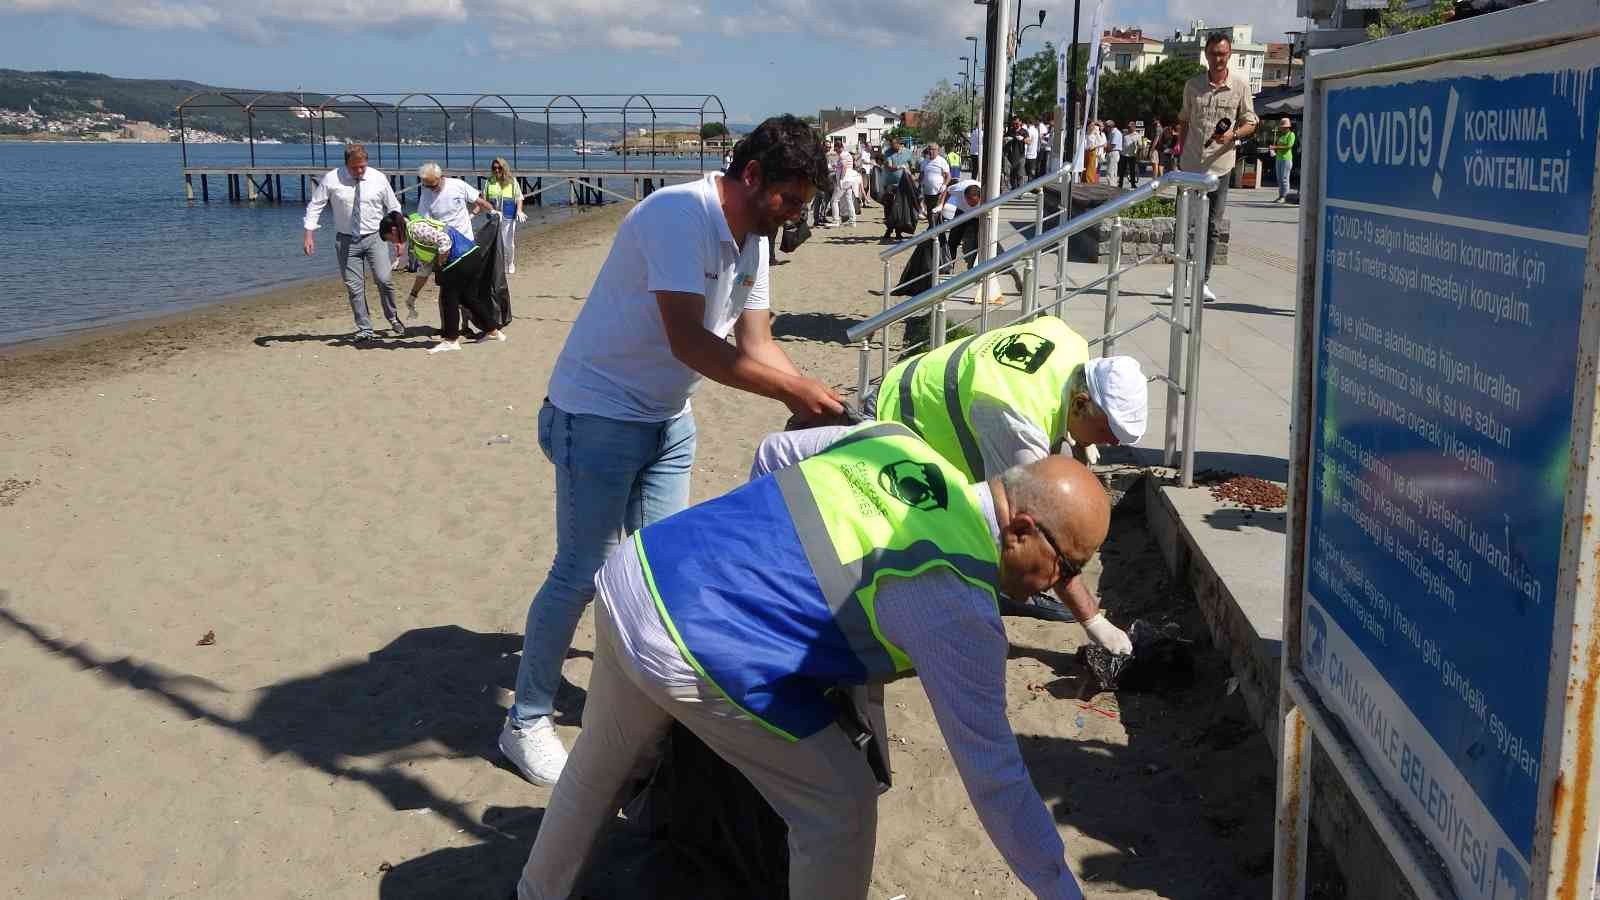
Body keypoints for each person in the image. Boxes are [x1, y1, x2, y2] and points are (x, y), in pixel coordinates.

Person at [513, 422, 1116, 900]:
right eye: (1069, 564)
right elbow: (994, 777)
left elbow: (776, 451)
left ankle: (535, 892)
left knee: (601, 760)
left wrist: (765, 557)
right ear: (1021, 530)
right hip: (692, 643)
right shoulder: (955, 597)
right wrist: (1060, 890)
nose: (1062, 583)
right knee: (840, 805)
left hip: (638, 573)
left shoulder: (895, 442)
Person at [497, 115, 844, 787]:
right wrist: (792, 390)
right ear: (751, 176)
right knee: (582, 571)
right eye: (791, 200)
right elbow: (690, 341)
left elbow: (754, 344)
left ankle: (641, 707)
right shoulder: (679, 215)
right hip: (596, 413)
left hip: (667, 420)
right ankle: (525, 721)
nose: (797, 216)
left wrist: (802, 391)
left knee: (662, 577)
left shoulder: (755, 240)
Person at [1173, 31, 1259, 301]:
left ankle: (1203, 280)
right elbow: (1184, 120)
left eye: (1223, 53)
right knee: (1184, 223)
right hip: (1190, 165)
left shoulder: (1240, 86)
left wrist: (1233, 135)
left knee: (1212, 226)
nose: (1218, 58)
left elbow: (1251, 122)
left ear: (1230, 54)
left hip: (1220, 165)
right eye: (1213, 53)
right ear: (1206, 54)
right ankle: (1180, 279)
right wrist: (1179, 151)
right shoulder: (1192, 85)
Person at [300, 143, 404, 342]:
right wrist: (308, 235)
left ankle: (392, 317)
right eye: (354, 167)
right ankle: (365, 328)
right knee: (354, 287)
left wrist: (398, 237)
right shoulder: (332, 179)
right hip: (346, 239)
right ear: (346, 163)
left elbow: (393, 207)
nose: (358, 171)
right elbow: (315, 206)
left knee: (384, 280)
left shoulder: (378, 178)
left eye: (362, 166)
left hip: (375, 237)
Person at [384, 211, 507, 354]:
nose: (394, 243)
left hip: (461, 259)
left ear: (394, 230)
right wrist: (413, 295)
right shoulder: (416, 232)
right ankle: (493, 331)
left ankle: (451, 340)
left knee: (448, 299)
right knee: (468, 298)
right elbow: (425, 270)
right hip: (472, 255)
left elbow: (444, 239)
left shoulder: (415, 229)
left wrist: (442, 258)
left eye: (391, 239)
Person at [415, 161, 495, 327]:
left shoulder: (457, 185)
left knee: (468, 289)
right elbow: (423, 220)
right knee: (446, 289)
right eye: (427, 186)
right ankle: (447, 327)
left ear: (441, 177)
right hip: (444, 247)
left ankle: (467, 325)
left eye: (433, 185)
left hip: (466, 244)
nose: (431, 189)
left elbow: (478, 201)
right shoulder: (426, 194)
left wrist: (493, 212)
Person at [484, 157, 526, 275]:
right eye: (494, 168)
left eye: (499, 168)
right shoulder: (489, 182)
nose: (496, 170)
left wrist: (519, 211)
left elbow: (519, 198)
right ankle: (498, 265)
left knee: (508, 243)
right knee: (495, 243)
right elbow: (484, 200)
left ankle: (510, 262)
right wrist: (488, 210)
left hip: (508, 217)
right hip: (494, 218)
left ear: (504, 168)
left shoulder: (512, 181)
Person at [940, 179, 984, 270]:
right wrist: (941, 205)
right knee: (952, 241)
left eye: (974, 203)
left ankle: (972, 268)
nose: (971, 205)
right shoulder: (959, 189)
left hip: (977, 216)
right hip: (961, 212)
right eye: (969, 202)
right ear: (964, 197)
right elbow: (947, 190)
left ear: (980, 198)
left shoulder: (986, 194)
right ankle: (948, 267)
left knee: (976, 242)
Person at [918, 143, 951, 229]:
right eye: (929, 149)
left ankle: (934, 234)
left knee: (935, 214)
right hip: (927, 192)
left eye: (933, 149)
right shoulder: (924, 162)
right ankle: (935, 234)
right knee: (929, 214)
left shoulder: (942, 161)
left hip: (939, 192)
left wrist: (944, 185)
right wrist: (919, 184)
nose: (931, 151)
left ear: (938, 150)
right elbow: (921, 176)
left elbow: (948, 176)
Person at [1274, 117, 1297, 203]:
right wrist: (1274, 149)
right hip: (1279, 158)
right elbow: (1279, 147)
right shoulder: (1281, 136)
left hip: (1286, 159)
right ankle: (1280, 195)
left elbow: (1289, 146)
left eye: (1283, 127)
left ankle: (1285, 196)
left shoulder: (1291, 135)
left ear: (1287, 127)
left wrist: (1276, 147)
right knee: (1279, 178)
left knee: (1284, 178)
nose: (1281, 128)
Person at [1117, 124, 1142, 189]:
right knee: (1122, 170)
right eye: (1128, 127)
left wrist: (1138, 152)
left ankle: (1133, 184)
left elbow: (1140, 145)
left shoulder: (1138, 135)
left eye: (1130, 127)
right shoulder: (1124, 134)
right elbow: (1120, 142)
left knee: (1132, 170)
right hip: (1123, 154)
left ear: (1134, 128)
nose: (1128, 128)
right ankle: (1120, 184)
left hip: (1132, 155)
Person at [1103, 119, 1122, 187]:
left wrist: (1106, 150)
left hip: (1113, 152)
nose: (1105, 128)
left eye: (1106, 126)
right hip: (1111, 152)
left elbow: (1113, 145)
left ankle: (1112, 186)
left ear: (1110, 126)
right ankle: (1111, 185)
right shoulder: (1111, 133)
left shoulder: (1116, 133)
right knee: (1111, 170)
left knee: (1111, 171)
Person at [1022, 117, 1040, 182]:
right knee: (1031, 174)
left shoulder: (1029, 131)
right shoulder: (1036, 131)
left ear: (1028, 123)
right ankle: (1031, 187)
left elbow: (1027, 143)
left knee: (1026, 174)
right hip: (1034, 154)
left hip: (1028, 155)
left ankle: (1026, 188)